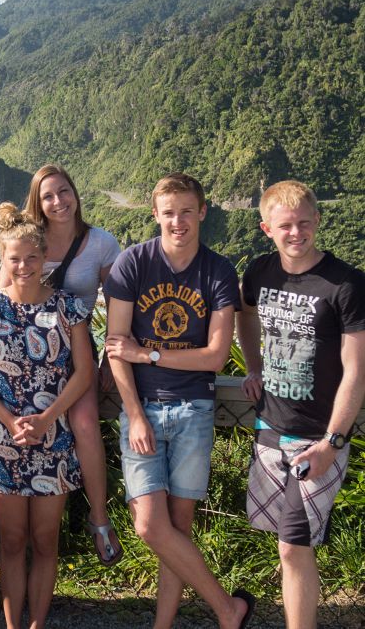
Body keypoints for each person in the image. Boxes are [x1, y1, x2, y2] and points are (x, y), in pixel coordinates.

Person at [104, 173, 255, 629]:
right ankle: (228, 609)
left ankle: (162, 625)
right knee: (151, 526)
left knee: (178, 529)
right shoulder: (132, 263)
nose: (178, 221)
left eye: (187, 211)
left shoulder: (219, 271)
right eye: (168, 212)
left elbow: (213, 357)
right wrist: (133, 414)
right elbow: (115, 348)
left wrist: (148, 353)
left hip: (194, 408)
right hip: (142, 409)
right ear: (155, 215)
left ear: (203, 211)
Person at [236, 180, 365, 629]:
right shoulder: (259, 272)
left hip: (319, 438)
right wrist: (253, 367)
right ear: (266, 227)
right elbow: (245, 312)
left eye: (304, 223)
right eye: (285, 225)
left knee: (294, 543)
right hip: (271, 426)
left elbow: (356, 370)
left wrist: (333, 442)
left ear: (318, 222)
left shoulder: (346, 284)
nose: (296, 233)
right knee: (288, 543)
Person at [0, 204, 93, 629]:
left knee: (44, 540)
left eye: (31, 258)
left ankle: (37, 623)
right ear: (3, 259)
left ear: (44, 260)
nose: (23, 266)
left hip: (53, 439)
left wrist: (46, 418)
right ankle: (12, 625)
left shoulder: (68, 308)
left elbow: (84, 372)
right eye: (14, 258)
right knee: (13, 540)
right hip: (3, 440)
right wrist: (6, 419)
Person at [8, 163, 124, 565]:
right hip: (23, 355)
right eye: (48, 196)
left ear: (76, 193)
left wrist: (112, 357)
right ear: (37, 203)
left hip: (75, 353)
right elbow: (1, 299)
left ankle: (98, 518)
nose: (58, 202)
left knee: (85, 423)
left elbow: (119, 307)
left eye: (64, 192)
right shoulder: (26, 241)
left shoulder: (101, 244)